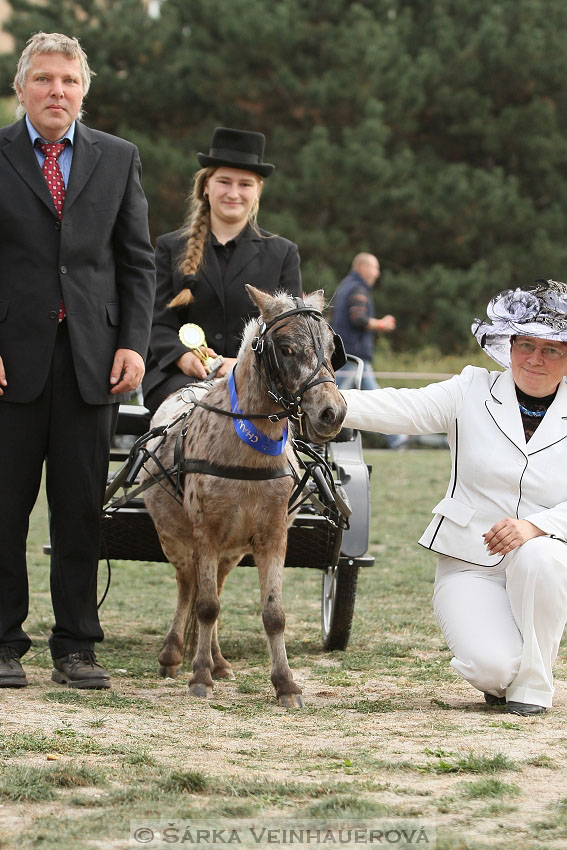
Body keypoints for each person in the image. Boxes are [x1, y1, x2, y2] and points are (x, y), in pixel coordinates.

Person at [0, 33, 155, 690]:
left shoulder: (118, 159)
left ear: (82, 90)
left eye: (67, 80)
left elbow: (137, 263)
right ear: (21, 89)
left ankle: (75, 645)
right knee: (4, 509)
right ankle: (4, 642)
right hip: (10, 363)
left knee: (79, 510)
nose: (56, 91)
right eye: (43, 79)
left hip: (94, 362)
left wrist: (133, 344)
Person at [340, 279, 567, 716]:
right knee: (493, 669)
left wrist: (535, 527)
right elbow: (401, 407)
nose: (534, 359)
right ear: (509, 345)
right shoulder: (470, 389)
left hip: (549, 565)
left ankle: (534, 688)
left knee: (539, 556)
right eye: (525, 345)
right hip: (469, 567)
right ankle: (509, 672)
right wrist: (321, 398)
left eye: (551, 349)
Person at [142, 127, 302, 415]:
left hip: (259, 381)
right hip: (178, 378)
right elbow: (156, 322)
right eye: (224, 182)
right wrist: (182, 357)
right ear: (206, 185)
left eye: (245, 185)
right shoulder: (169, 247)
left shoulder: (283, 253)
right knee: (201, 408)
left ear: (258, 191)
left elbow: (290, 335)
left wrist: (241, 365)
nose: (233, 193)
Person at [333, 253, 408, 449]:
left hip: (347, 353)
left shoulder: (345, 286)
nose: (377, 273)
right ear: (363, 268)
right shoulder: (358, 289)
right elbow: (358, 318)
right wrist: (381, 324)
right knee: (332, 398)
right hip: (354, 356)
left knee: (372, 396)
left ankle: (397, 438)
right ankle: (311, 435)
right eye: (375, 268)